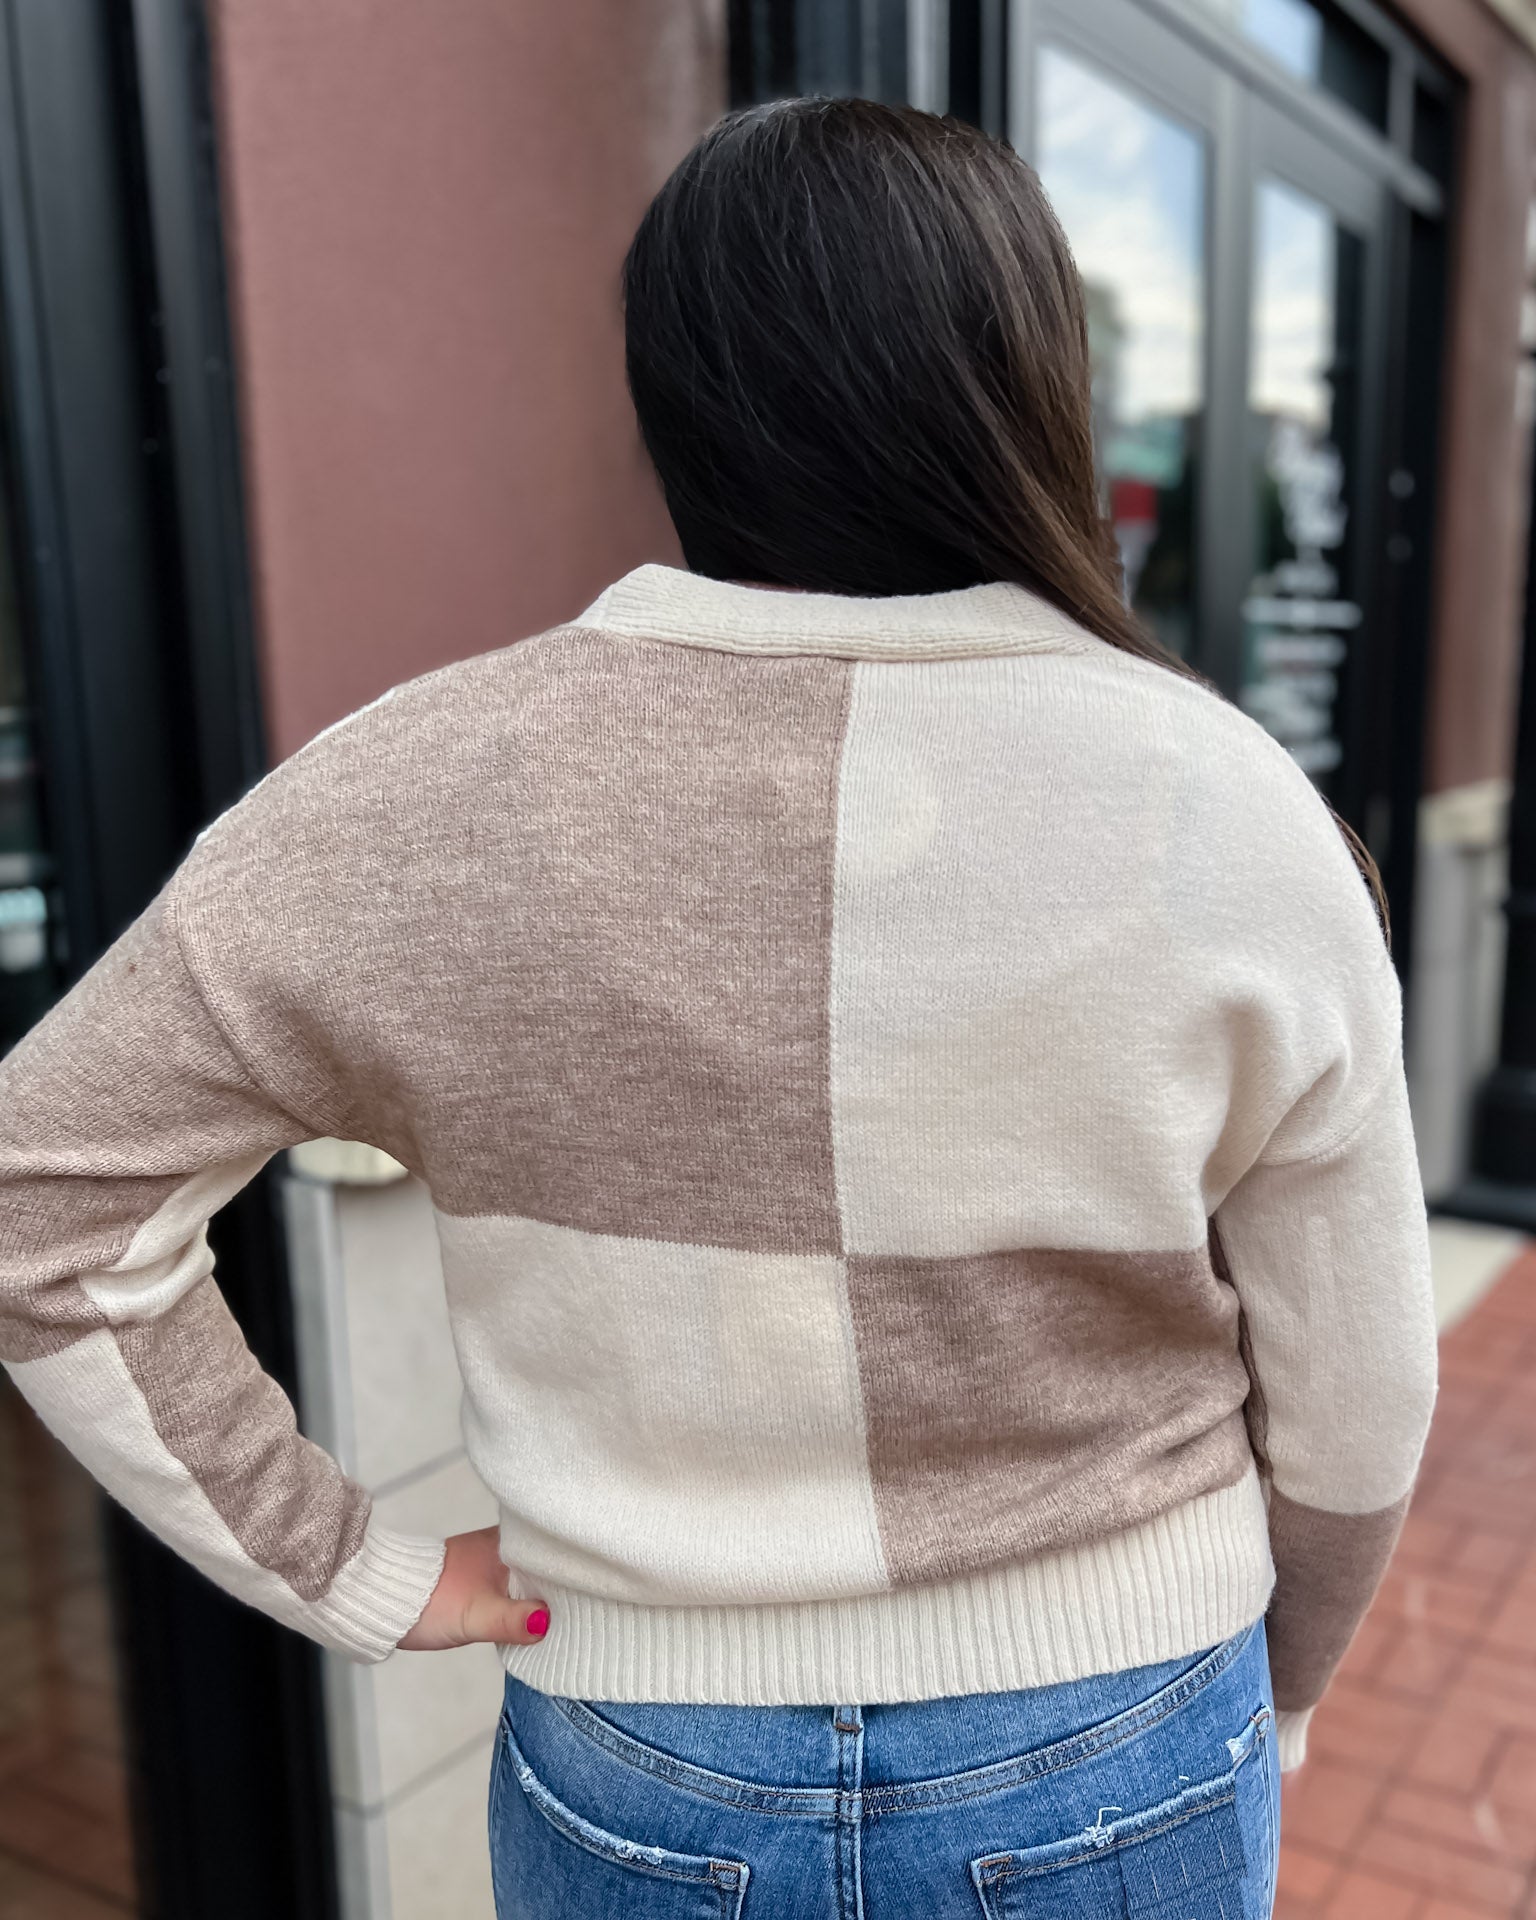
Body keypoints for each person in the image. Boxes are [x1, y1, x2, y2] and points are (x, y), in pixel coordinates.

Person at [0, 97, 1438, 1919]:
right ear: (1032, 381)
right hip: (1122, 1732)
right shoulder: (1226, 802)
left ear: (674, 395)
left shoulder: (415, 788)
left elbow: (42, 1193)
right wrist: (1272, 1688)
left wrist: (355, 1567)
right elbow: (1362, 1401)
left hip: (636, 1755)